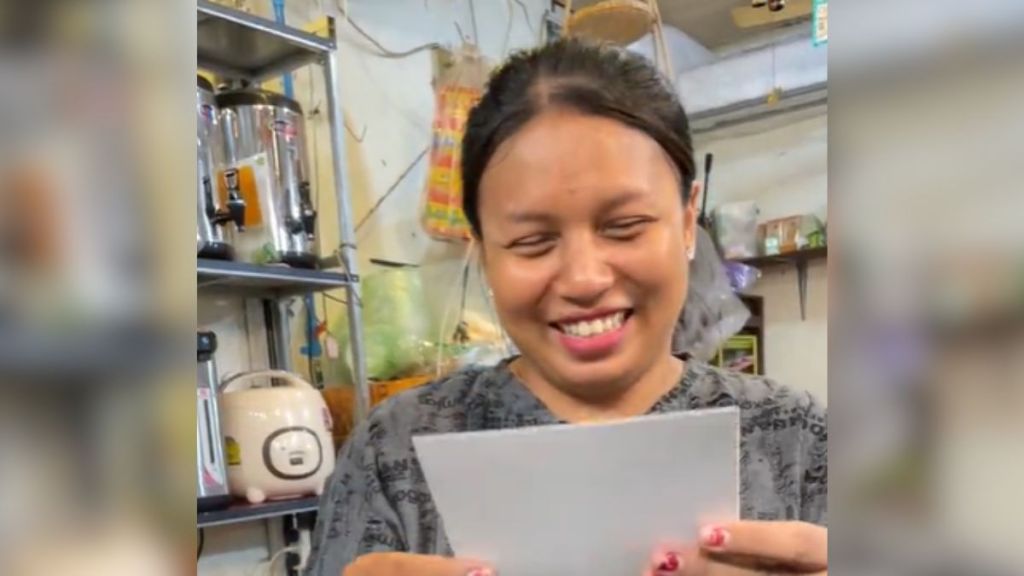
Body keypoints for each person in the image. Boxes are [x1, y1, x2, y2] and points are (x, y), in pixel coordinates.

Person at [305, 38, 827, 576]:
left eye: (625, 226)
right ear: (482, 250)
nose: (584, 279)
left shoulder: (799, 439)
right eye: (532, 242)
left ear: (689, 218)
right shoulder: (394, 451)